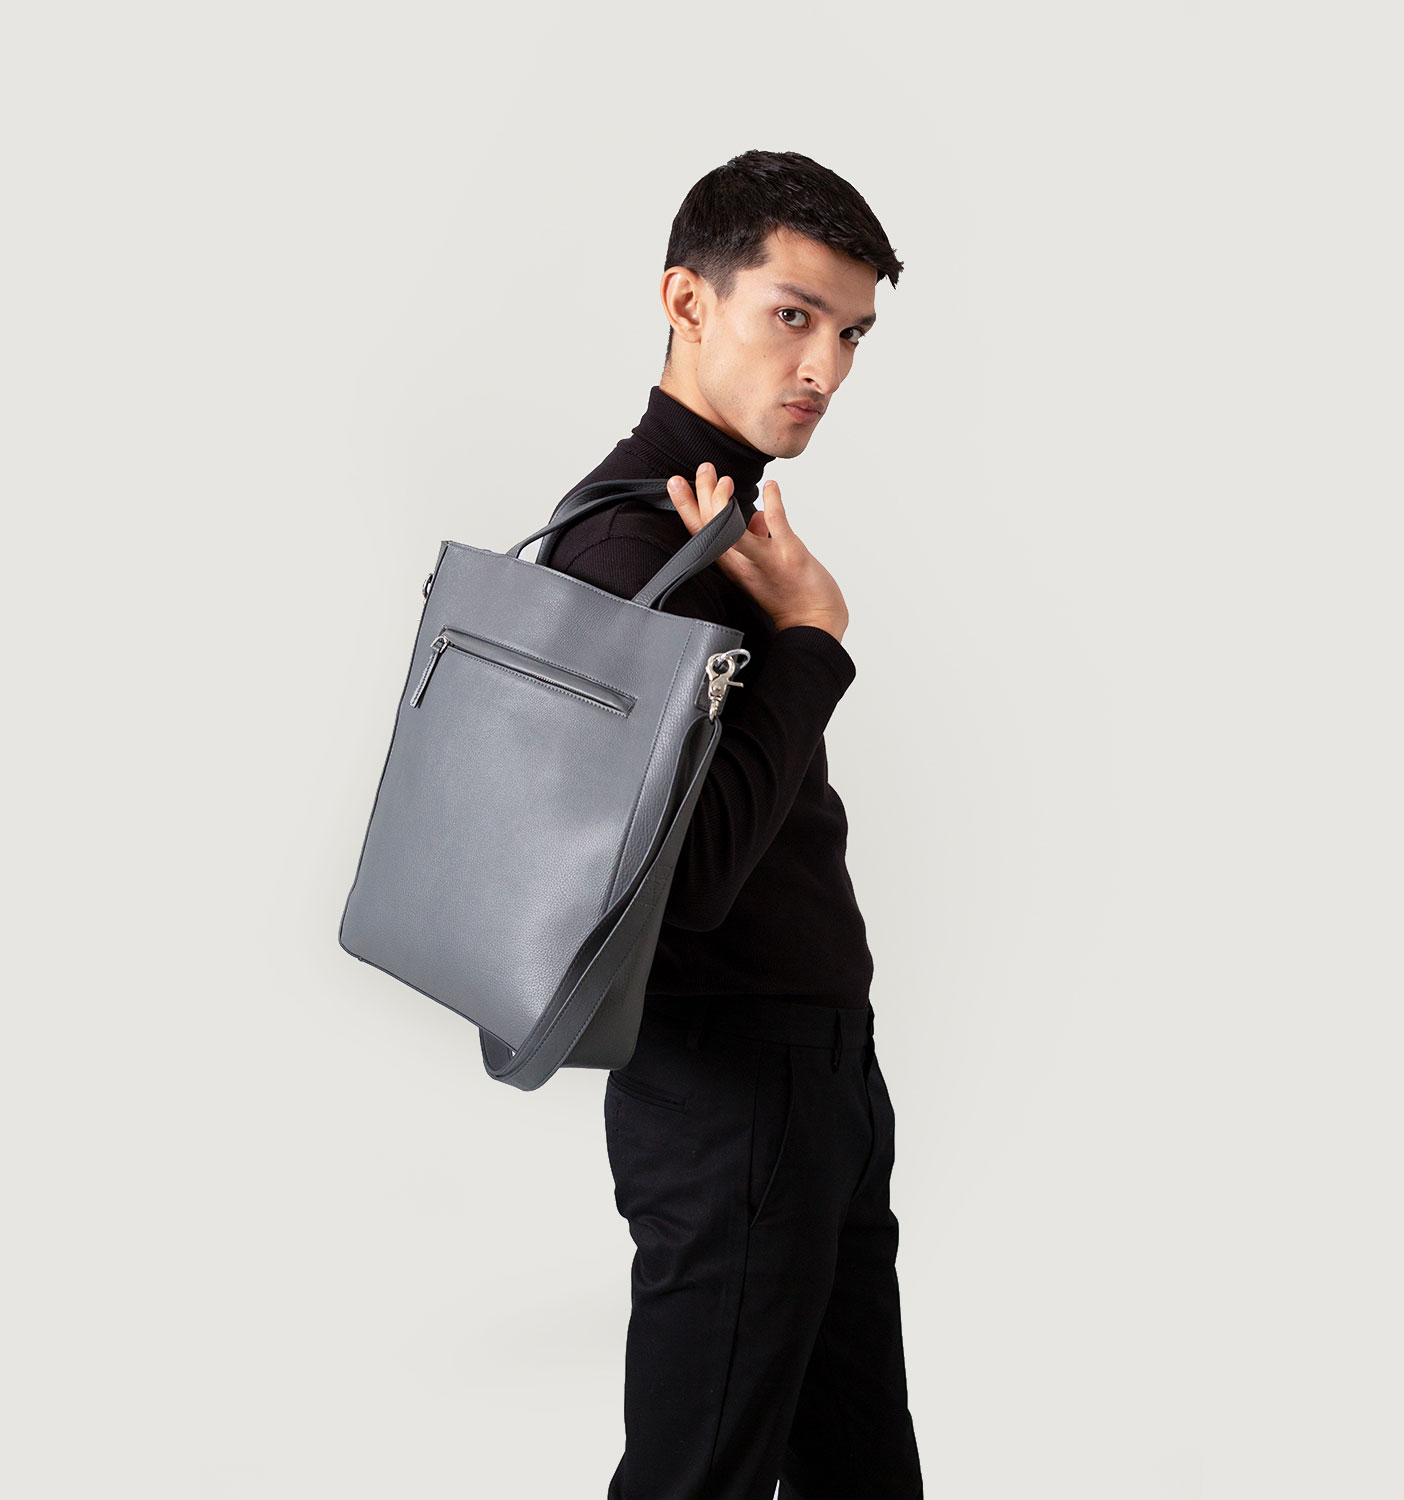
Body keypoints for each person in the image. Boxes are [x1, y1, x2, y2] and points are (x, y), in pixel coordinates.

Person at [545, 150, 923, 1500]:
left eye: (852, 334)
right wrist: (814, 638)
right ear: (688, 301)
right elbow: (687, 876)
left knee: (859, 1472)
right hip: (732, 1082)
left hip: (813, 1069)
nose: (824, 366)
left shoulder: (724, 526)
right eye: (792, 315)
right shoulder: (635, 550)